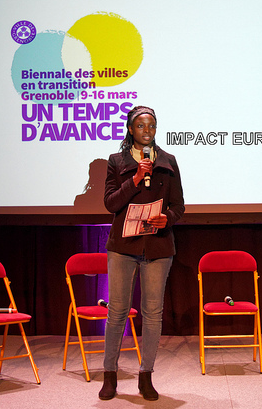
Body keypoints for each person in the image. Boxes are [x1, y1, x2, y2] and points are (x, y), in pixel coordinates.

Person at [99, 105, 185, 401]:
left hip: (158, 247)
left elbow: (178, 205)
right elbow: (110, 203)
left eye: (151, 126)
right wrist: (135, 179)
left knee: (152, 314)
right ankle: (110, 375)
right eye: (141, 126)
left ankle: (146, 375)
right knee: (117, 312)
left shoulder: (168, 161)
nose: (147, 131)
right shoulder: (116, 161)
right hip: (124, 248)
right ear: (130, 129)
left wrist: (167, 218)